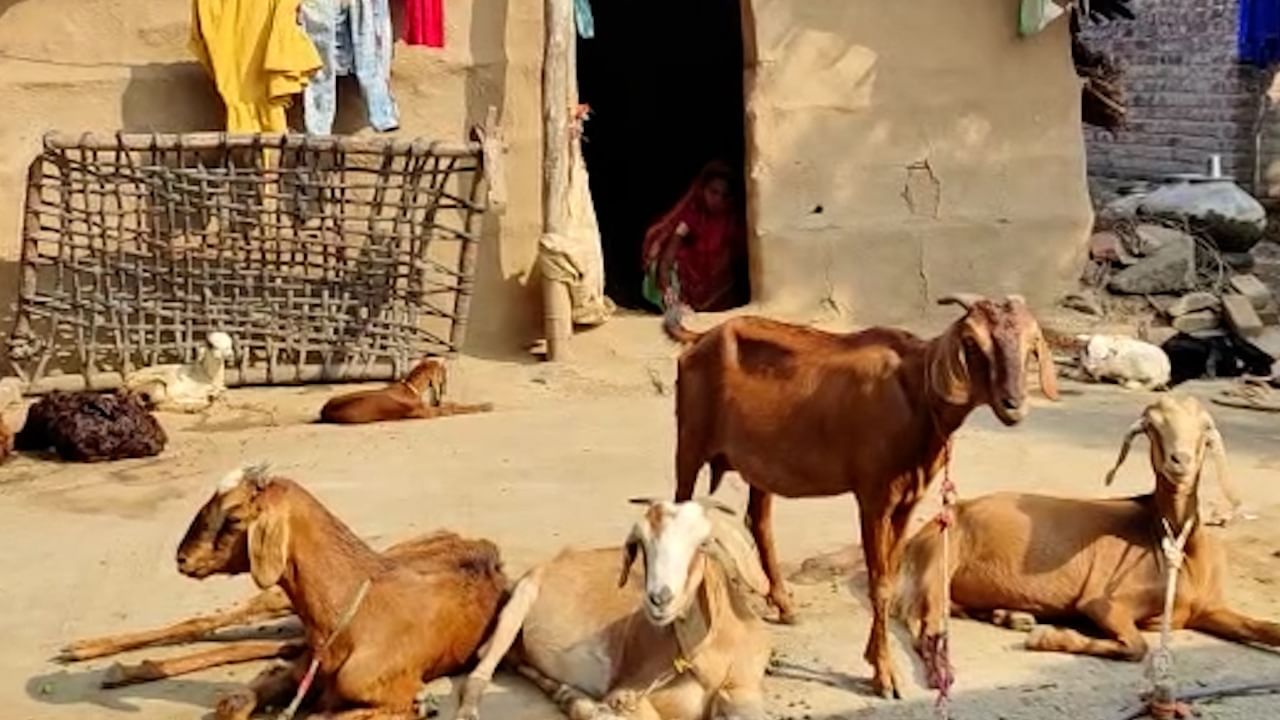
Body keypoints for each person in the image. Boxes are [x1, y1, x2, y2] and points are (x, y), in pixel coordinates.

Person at [640, 161, 746, 312]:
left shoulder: (734, 223)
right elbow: (668, 257)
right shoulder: (691, 218)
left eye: (725, 195)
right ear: (702, 190)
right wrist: (667, 290)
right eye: (713, 192)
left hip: (720, 289)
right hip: (689, 283)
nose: (719, 200)